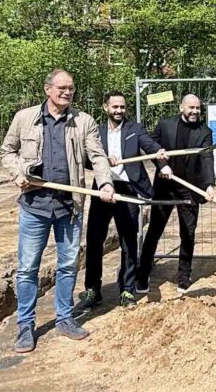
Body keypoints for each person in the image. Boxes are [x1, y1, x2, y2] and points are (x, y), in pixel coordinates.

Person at [0, 69, 115, 354]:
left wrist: (106, 183)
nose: (67, 92)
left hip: (69, 207)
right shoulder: (25, 118)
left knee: (67, 265)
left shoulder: (84, 122)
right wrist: (17, 173)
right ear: (47, 89)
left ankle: (64, 318)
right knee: (28, 269)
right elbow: (7, 151)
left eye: (71, 88)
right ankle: (25, 326)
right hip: (34, 206)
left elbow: (97, 157)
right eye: (62, 87)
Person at [79, 91, 166, 309]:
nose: (119, 111)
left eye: (122, 107)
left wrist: (159, 153)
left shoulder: (134, 129)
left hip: (128, 189)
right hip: (103, 188)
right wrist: (103, 161)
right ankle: (93, 289)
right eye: (115, 107)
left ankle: (127, 289)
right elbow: (87, 160)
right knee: (94, 240)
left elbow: (149, 145)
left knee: (128, 240)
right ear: (105, 107)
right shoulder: (96, 132)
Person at [136, 94, 215, 294]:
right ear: (181, 108)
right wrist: (162, 165)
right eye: (191, 107)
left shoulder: (204, 132)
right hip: (164, 186)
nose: (195, 111)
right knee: (154, 231)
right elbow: (152, 148)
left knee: (187, 233)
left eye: (198, 108)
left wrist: (209, 185)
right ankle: (143, 275)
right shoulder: (165, 125)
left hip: (188, 188)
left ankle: (183, 276)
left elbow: (207, 158)